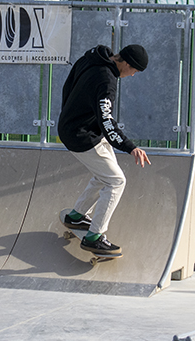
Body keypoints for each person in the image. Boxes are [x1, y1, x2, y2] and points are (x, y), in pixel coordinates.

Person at [58, 44, 152, 255]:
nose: (133, 75)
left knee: (105, 176)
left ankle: (77, 216)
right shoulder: (107, 81)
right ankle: (94, 237)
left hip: (75, 127)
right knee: (117, 181)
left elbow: (68, 85)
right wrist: (130, 147)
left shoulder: (93, 58)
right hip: (81, 135)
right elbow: (107, 121)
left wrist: (70, 113)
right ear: (126, 63)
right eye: (134, 70)